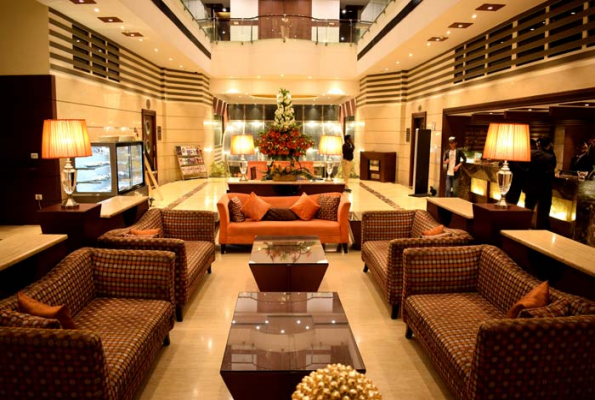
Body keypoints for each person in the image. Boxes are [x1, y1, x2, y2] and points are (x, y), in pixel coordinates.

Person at [523, 137, 556, 230]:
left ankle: (524, 228)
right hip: (544, 188)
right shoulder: (550, 157)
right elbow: (550, 173)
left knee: (528, 209)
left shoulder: (531, 153)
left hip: (530, 186)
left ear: (539, 144)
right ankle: (542, 231)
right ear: (549, 144)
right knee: (544, 212)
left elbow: (524, 167)